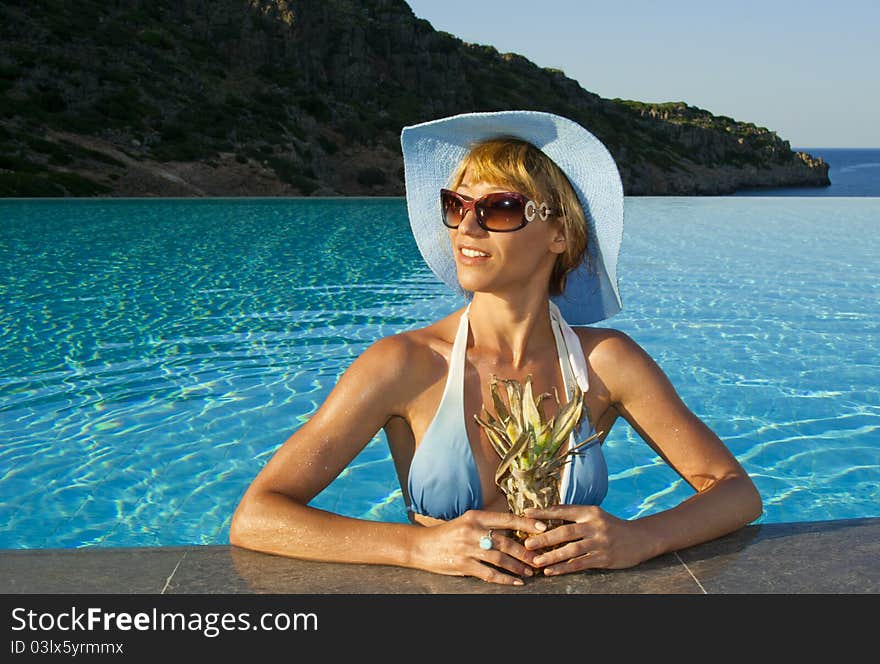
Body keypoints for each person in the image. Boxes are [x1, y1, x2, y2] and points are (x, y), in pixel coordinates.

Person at [230, 110, 763, 586]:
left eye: (500, 208)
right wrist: (416, 548)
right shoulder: (406, 364)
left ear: (559, 233)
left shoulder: (604, 364)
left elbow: (736, 492)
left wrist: (640, 538)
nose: (467, 225)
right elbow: (256, 516)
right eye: (456, 205)